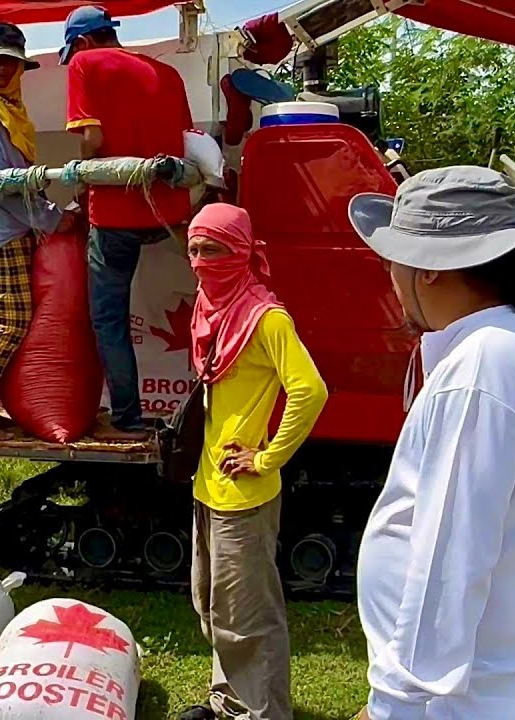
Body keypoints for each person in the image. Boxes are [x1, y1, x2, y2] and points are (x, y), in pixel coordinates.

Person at [347, 166, 515, 720]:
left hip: (470, 701)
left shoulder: (483, 367)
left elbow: (450, 558)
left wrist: (393, 706)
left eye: (391, 260)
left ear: (426, 268)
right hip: (490, 690)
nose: (389, 275)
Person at [181, 203, 328, 720]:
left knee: (250, 618)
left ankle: (264, 714)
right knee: (214, 607)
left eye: (213, 249)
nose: (200, 261)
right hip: (207, 483)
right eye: (194, 248)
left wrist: (267, 456)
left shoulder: (265, 318)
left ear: (240, 251)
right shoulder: (210, 306)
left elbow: (310, 390)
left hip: (244, 493)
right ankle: (229, 703)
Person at [62, 4, 196, 439]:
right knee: (207, 306)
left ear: (81, 42)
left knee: (111, 319)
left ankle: (126, 419)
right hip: (170, 213)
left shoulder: (84, 63)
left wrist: (83, 177)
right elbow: (186, 143)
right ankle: (206, 405)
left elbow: (93, 138)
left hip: (116, 213)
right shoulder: (168, 74)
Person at [0, 22, 77, 441]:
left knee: (13, 323)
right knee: (12, 325)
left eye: (8, 61)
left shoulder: (7, 106)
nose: (2, 69)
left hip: (15, 225)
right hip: (1, 229)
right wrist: (51, 217)